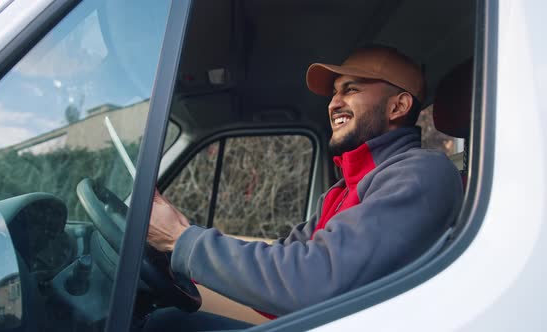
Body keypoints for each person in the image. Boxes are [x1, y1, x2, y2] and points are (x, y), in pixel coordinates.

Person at [145, 46, 463, 327]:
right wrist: (184, 243)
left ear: (398, 106)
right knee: (168, 321)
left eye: (350, 89)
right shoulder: (342, 190)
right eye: (335, 93)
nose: (333, 103)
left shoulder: (422, 173)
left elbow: (314, 282)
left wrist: (180, 239)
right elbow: (287, 258)